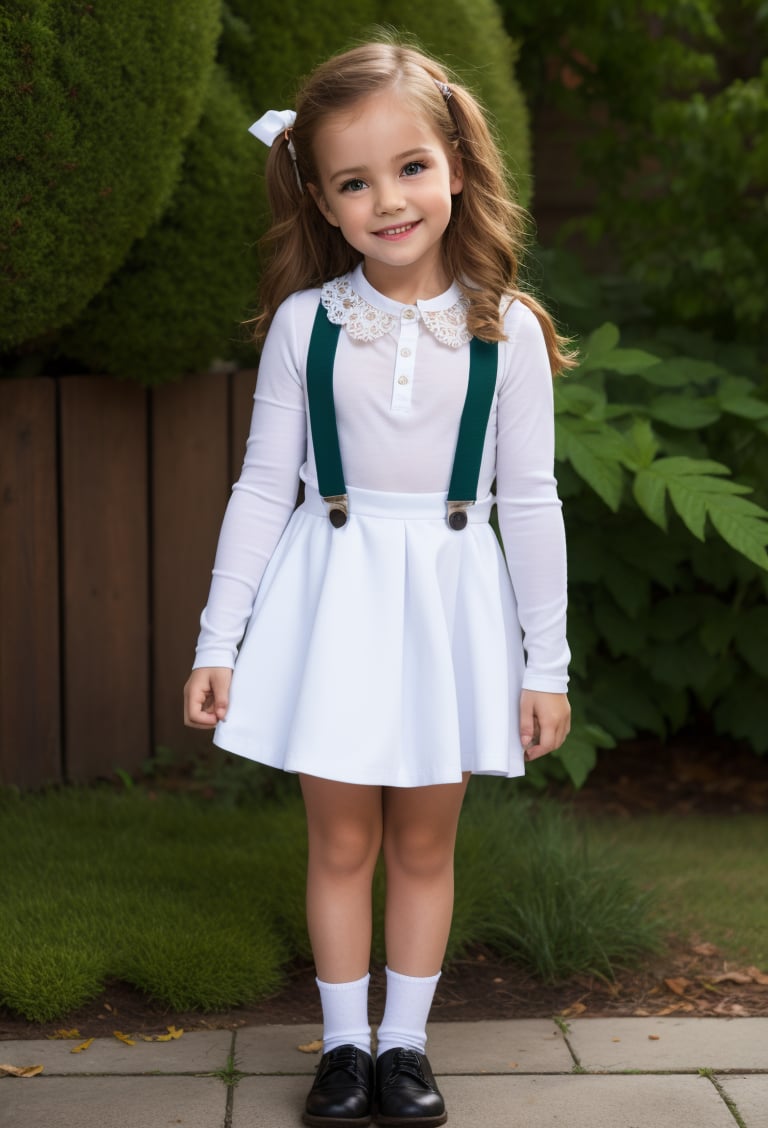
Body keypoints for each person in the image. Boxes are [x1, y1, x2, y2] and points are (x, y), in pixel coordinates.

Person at [184, 39, 572, 1128]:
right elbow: (264, 490)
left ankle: (407, 1043)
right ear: (321, 197)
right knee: (342, 838)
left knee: (423, 840)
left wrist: (549, 663)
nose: (388, 200)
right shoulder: (310, 327)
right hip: (335, 601)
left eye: (409, 168)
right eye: (354, 182)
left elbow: (530, 503)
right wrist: (222, 640)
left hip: (452, 607)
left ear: (455, 160)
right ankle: (343, 1046)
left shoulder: (512, 333)